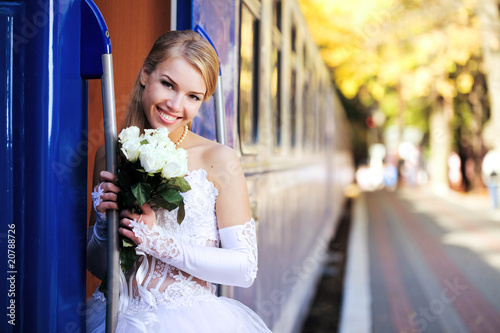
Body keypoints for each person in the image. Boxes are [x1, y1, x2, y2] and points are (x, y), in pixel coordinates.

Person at [86, 30, 271, 332]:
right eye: (167, 84)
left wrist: (157, 242)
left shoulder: (219, 159)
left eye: (193, 97)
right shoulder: (109, 156)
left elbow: (244, 268)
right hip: (114, 318)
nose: (175, 104)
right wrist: (105, 228)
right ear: (146, 74)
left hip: (190, 321)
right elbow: (98, 267)